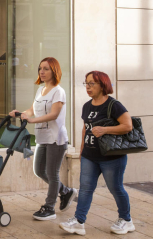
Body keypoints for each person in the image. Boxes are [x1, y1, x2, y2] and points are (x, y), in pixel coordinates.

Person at [60, 71, 134, 236]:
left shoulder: (114, 105)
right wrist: (81, 149)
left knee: (115, 188)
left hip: (111, 157)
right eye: (86, 83)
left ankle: (126, 220)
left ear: (103, 85)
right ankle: (79, 221)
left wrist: (105, 129)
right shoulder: (87, 105)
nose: (88, 87)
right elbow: (85, 128)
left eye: (92, 83)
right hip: (90, 156)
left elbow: (128, 125)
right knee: (85, 189)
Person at [9, 57, 77, 220]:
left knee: (52, 173)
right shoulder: (40, 90)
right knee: (39, 170)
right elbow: (33, 109)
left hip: (56, 138)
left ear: (54, 71)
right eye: (40, 68)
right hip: (42, 137)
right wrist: (22, 114)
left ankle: (49, 207)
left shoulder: (58, 91)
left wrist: (31, 120)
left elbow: (54, 114)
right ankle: (66, 192)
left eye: (46, 68)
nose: (42, 71)